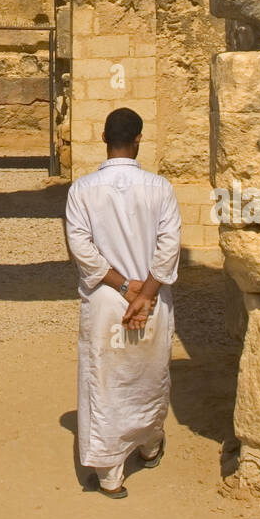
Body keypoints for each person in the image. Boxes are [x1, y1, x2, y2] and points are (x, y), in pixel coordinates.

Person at [64, 107, 181, 499]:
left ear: (103, 139)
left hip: (106, 301)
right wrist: (145, 294)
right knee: (149, 376)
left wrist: (125, 288)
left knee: (105, 383)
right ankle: (148, 444)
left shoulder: (81, 190)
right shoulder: (160, 188)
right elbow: (168, 249)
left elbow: (82, 249)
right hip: (150, 303)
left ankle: (110, 473)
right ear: (138, 141)